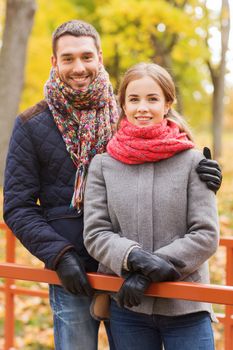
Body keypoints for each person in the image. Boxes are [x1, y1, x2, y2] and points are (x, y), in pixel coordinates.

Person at [83, 62, 220, 350]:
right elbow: (96, 232)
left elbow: (205, 234)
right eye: (133, 99)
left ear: (168, 103)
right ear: (122, 104)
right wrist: (133, 259)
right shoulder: (103, 165)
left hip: (186, 304)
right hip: (128, 308)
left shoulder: (194, 162)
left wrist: (153, 271)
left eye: (152, 99)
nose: (142, 108)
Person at [3, 20, 118, 350]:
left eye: (86, 57)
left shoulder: (126, 111)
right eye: (68, 58)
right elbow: (18, 206)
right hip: (71, 273)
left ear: (99, 57)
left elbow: (165, 151)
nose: (78, 67)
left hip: (125, 264)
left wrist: (201, 171)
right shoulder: (30, 124)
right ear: (54, 62)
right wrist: (59, 255)